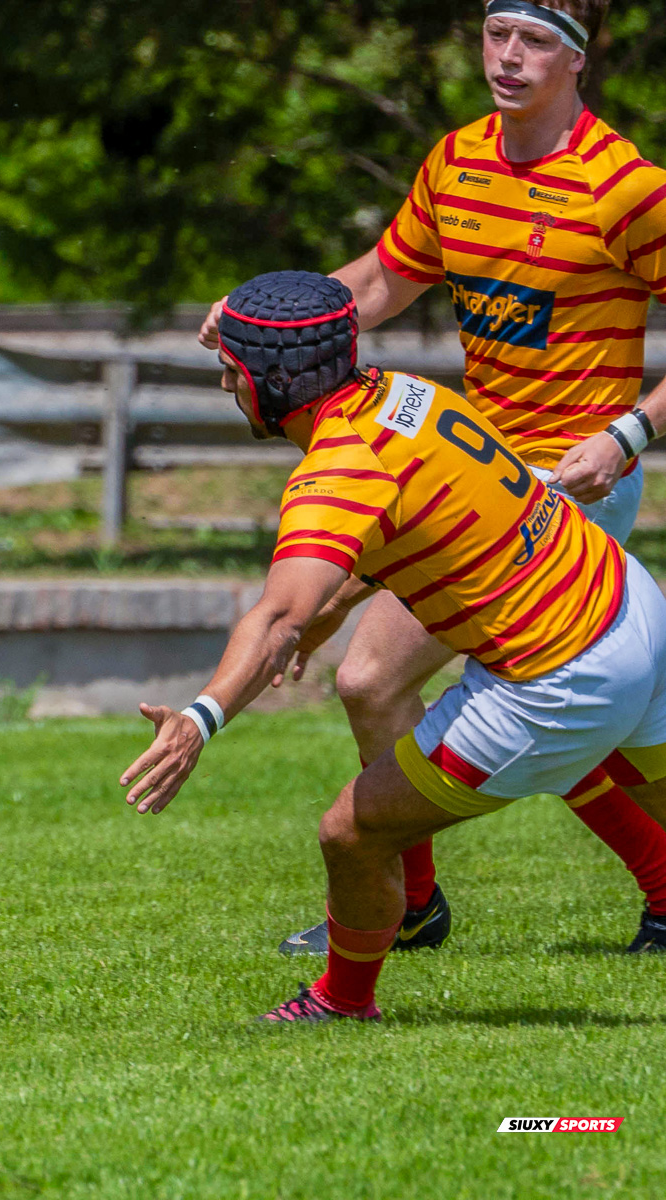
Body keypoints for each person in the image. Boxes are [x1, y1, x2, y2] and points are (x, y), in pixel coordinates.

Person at [198, 0, 666, 956]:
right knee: (437, 693)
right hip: (470, 470)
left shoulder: (628, 188)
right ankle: (430, 897)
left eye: (534, 40)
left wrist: (629, 435)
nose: (508, 55)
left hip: (574, 484)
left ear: (580, 59)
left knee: (396, 678)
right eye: (497, 33)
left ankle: (410, 900)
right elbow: (374, 285)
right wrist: (270, 320)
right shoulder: (457, 160)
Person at [128, 270, 666, 1021]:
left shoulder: (338, 468)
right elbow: (373, 558)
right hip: (627, 601)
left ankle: (344, 1003)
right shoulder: (402, 393)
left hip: (564, 674)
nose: (225, 383)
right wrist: (315, 621)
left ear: (270, 380)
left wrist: (201, 717)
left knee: (351, 833)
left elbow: (279, 614)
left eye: (232, 369)